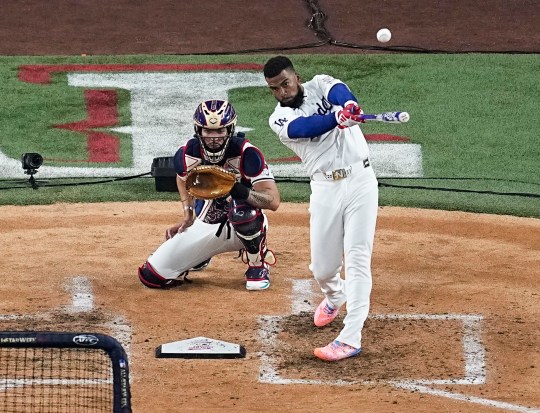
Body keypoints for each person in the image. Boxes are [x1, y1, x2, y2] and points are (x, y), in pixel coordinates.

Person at [263, 56, 379, 361]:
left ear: (296, 77)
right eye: (275, 88)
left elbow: (339, 91)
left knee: (357, 259)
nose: (282, 92)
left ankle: (351, 337)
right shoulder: (278, 120)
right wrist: (336, 119)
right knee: (324, 268)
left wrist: (349, 106)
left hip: (361, 182)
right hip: (326, 188)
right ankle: (334, 294)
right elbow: (304, 127)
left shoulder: (320, 84)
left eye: (285, 83)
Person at [138, 99, 280, 291]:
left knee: (243, 215)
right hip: (206, 222)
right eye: (208, 131)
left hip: (243, 224)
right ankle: (201, 255)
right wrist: (188, 214)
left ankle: (257, 261)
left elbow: (273, 201)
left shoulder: (248, 153)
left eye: (220, 131)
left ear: (230, 130)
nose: (214, 137)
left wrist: (237, 189)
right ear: (199, 130)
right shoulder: (188, 153)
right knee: (152, 276)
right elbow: (182, 179)